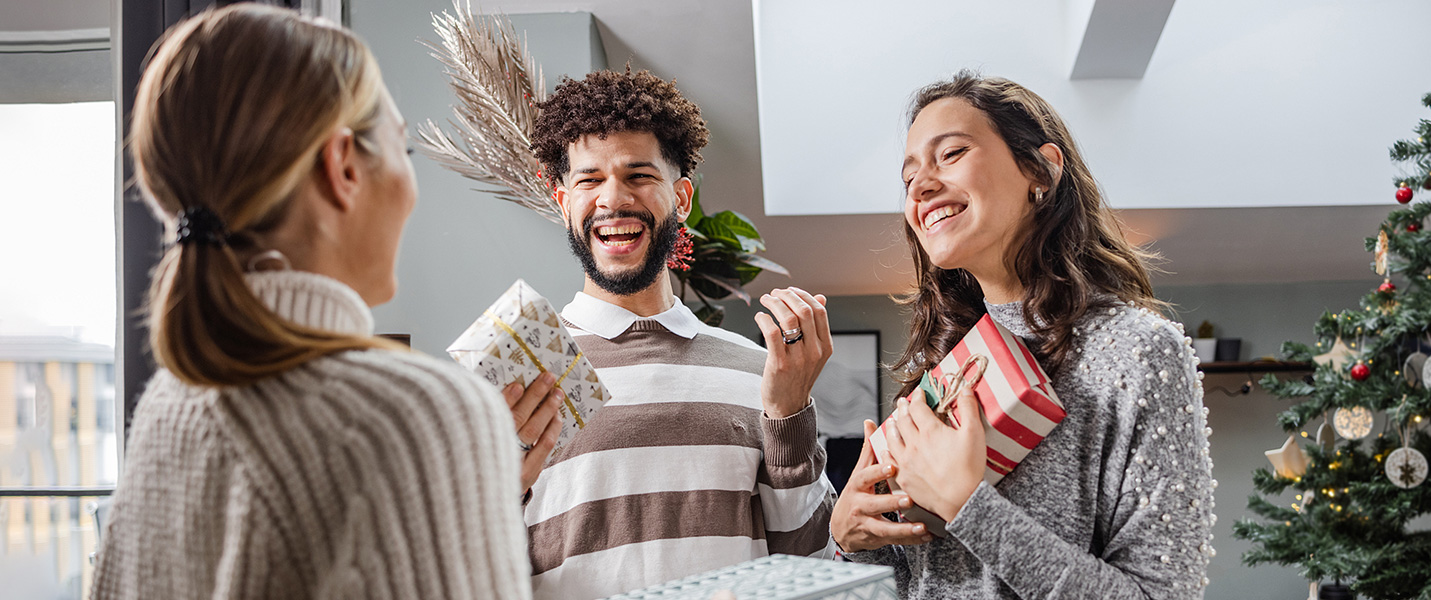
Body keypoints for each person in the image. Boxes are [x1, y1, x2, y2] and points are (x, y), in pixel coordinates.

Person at [92, 5, 537, 599]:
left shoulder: (168, 407)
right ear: (343, 166)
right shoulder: (417, 417)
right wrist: (455, 460)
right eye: (404, 152)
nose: (412, 189)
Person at [832, 71, 1215, 598]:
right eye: (908, 177)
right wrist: (852, 537)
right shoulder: (946, 365)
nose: (920, 185)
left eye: (950, 154)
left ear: (1041, 171)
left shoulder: (1139, 353)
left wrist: (971, 508)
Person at [511, 68, 838, 599]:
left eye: (638, 175)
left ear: (681, 197)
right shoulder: (525, 371)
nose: (612, 199)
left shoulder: (757, 370)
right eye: (589, 179)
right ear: (563, 201)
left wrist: (789, 417)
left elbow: (811, 559)